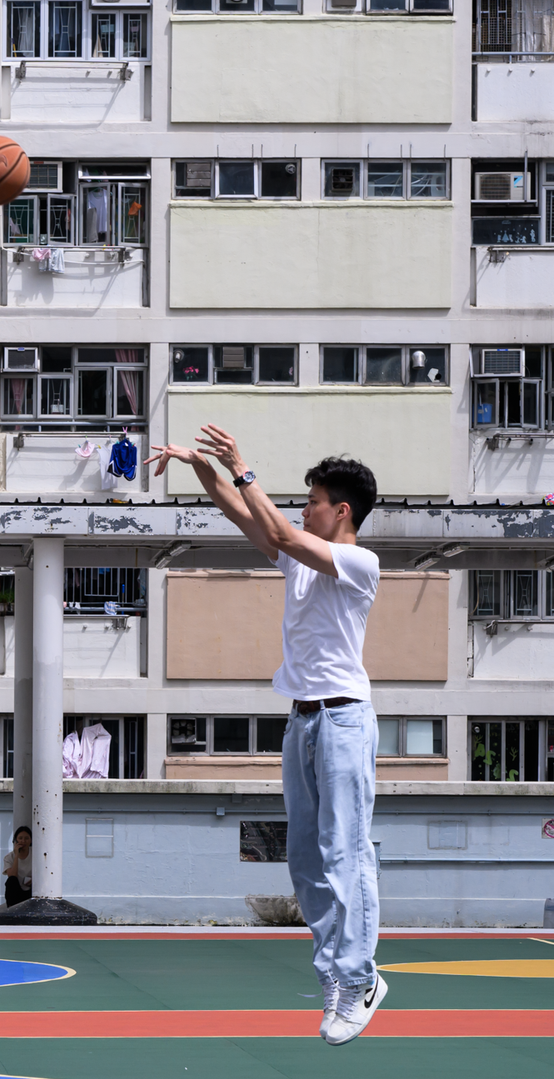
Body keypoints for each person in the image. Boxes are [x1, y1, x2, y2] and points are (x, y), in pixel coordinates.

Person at [153, 427, 384, 1046]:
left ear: (341, 511)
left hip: (344, 718)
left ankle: (360, 976)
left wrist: (243, 466)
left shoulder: (359, 563)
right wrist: (203, 469)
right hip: (302, 718)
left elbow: (278, 529)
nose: (302, 507)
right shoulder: (301, 559)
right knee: (306, 861)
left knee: (346, 852)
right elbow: (245, 518)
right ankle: (334, 974)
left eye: (312, 499)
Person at [2, 825, 33, 911]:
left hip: (31, 891)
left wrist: (35, 879)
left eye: (26, 838)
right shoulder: (9, 857)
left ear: (30, 840)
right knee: (11, 881)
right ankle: (11, 909)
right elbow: (12, 875)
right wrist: (16, 856)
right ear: (15, 840)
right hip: (17, 892)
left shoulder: (36, 854)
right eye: (20, 838)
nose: (23, 841)